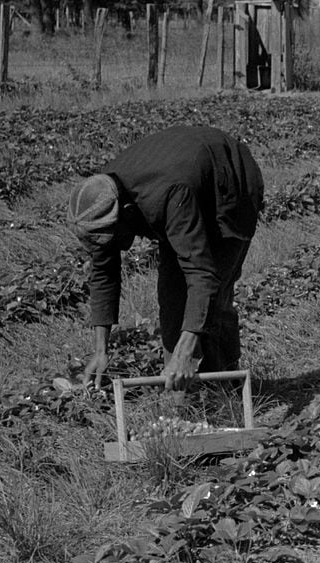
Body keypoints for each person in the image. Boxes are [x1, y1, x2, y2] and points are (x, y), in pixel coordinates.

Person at [67, 126, 264, 391]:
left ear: (126, 212)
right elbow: (104, 272)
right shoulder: (103, 200)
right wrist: (101, 350)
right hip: (187, 183)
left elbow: (202, 275)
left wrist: (185, 351)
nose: (112, 245)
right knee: (173, 297)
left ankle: (225, 392)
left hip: (229, 186)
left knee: (212, 302)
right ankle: (182, 393)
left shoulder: (169, 195)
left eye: (113, 238)